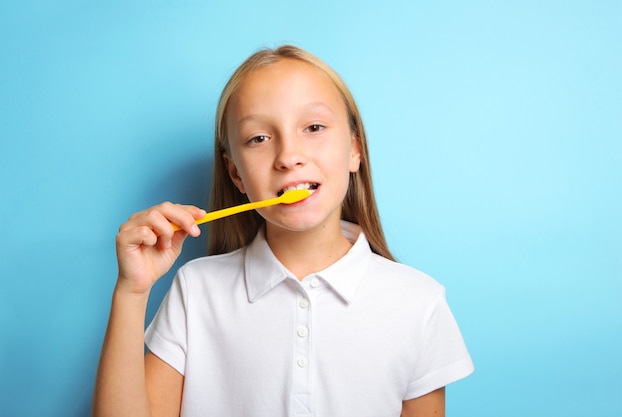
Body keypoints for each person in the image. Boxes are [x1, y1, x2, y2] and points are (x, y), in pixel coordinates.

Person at [92, 45, 474, 417]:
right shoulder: (196, 290)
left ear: (355, 150)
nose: (289, 156)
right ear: (236, 174)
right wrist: (132, 291)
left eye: (313, 127)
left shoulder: (419, 303)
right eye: (259, 138)